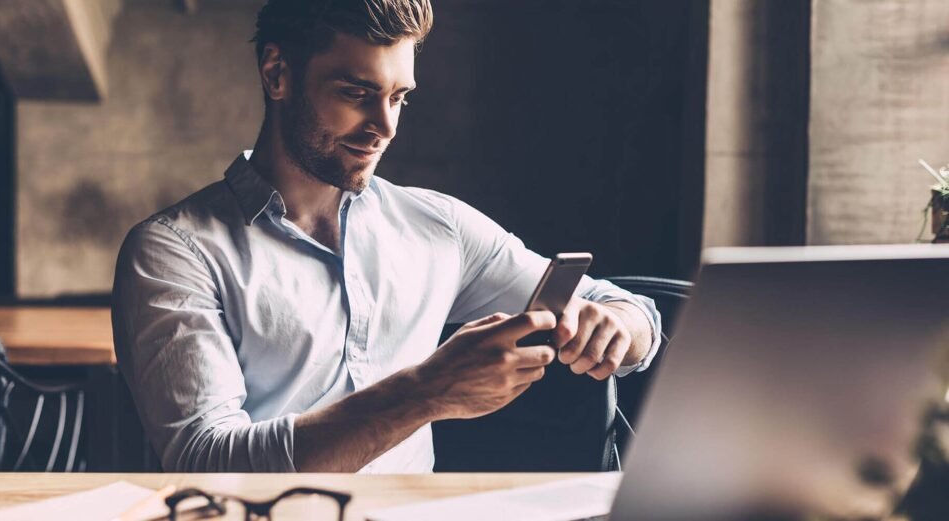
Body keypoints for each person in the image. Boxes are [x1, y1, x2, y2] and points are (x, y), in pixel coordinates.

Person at [112, 0, 662, 473]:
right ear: (276, 73)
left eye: (399, 97)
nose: (386, 125)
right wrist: (426, 393)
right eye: (357, 93)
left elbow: (625, 308)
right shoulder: (173, 253)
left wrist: (617, 328)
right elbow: (210, 464)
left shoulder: (437, 227)